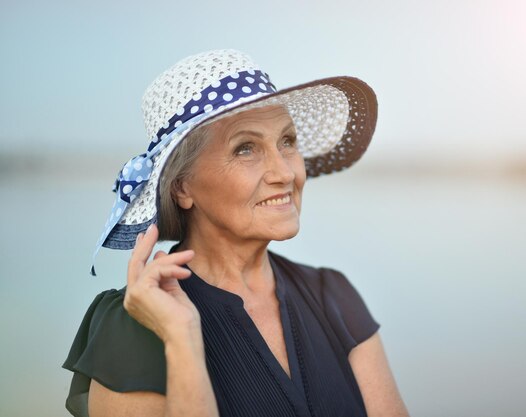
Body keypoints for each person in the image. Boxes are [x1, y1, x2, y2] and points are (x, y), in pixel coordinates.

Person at [63, 49, 409, 417]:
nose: (286, 173)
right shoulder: (138, 323)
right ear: (182, 188)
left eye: (287, 142)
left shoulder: (334, 297)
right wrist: (181, 340)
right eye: (246, 149)